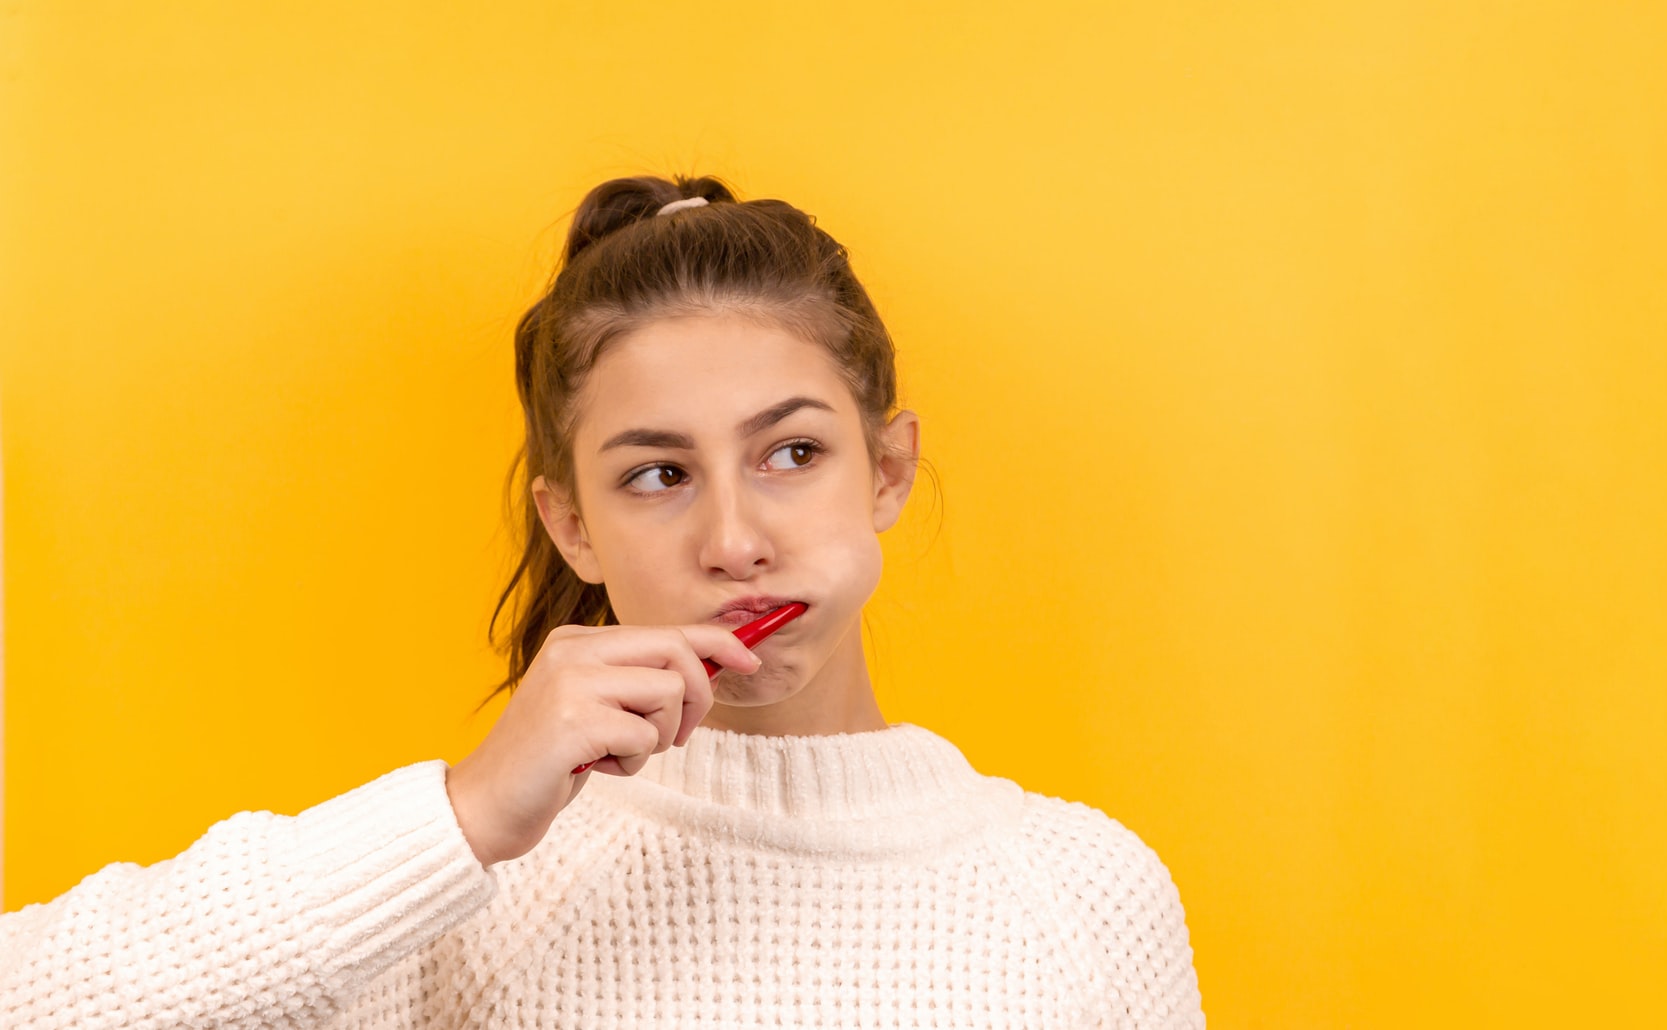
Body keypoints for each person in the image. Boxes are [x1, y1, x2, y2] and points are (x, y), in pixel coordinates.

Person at [0, 175, 1205, 1027]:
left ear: (886, 471)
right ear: (572, 523)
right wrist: (461, 820)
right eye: (658, 475)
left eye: (791, 453)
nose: (735, 540)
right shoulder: (473, 887)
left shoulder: (1089, 888)